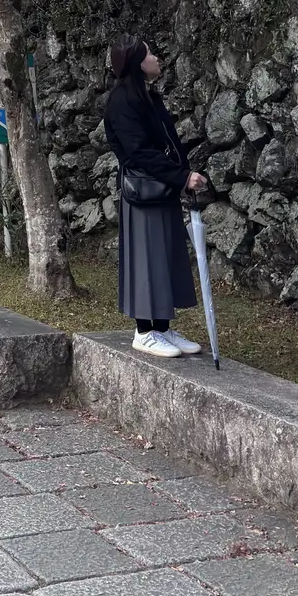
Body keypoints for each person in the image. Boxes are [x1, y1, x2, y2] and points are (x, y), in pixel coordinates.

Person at [104, 36, 207, 358]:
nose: (157, 57)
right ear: (137, 62)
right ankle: (144, 331)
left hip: (162, 188)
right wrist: (181, 176)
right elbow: (137, 152)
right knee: (146, 259)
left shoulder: (148, 96)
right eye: (150, 53)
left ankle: (161, 327)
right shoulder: (122, 101)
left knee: (165, 256)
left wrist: (182, 176)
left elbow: (167, 144)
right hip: (143, 192)